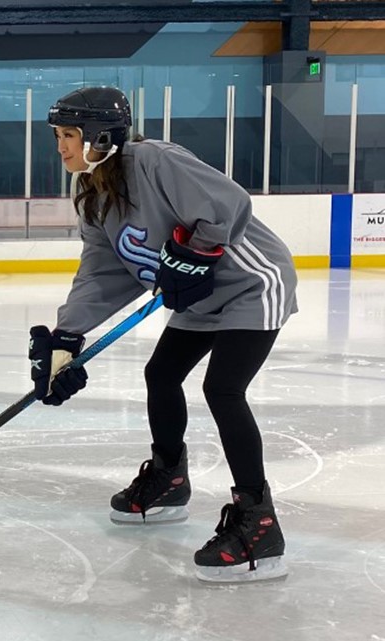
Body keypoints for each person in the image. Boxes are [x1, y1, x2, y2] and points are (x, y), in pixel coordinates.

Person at [30, 86, 297, 583]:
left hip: (251, 283)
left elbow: (228, 203)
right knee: (162, 374)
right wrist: (66, 337)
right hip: (199, 296)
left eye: (69, 135)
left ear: (100, 136)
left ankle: (258, 524)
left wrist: (198, 251)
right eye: (58, 136)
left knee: (223, 388)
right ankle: (169, 477)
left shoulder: (153, 161)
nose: (61, 146)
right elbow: (102, 271)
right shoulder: (93, 193)